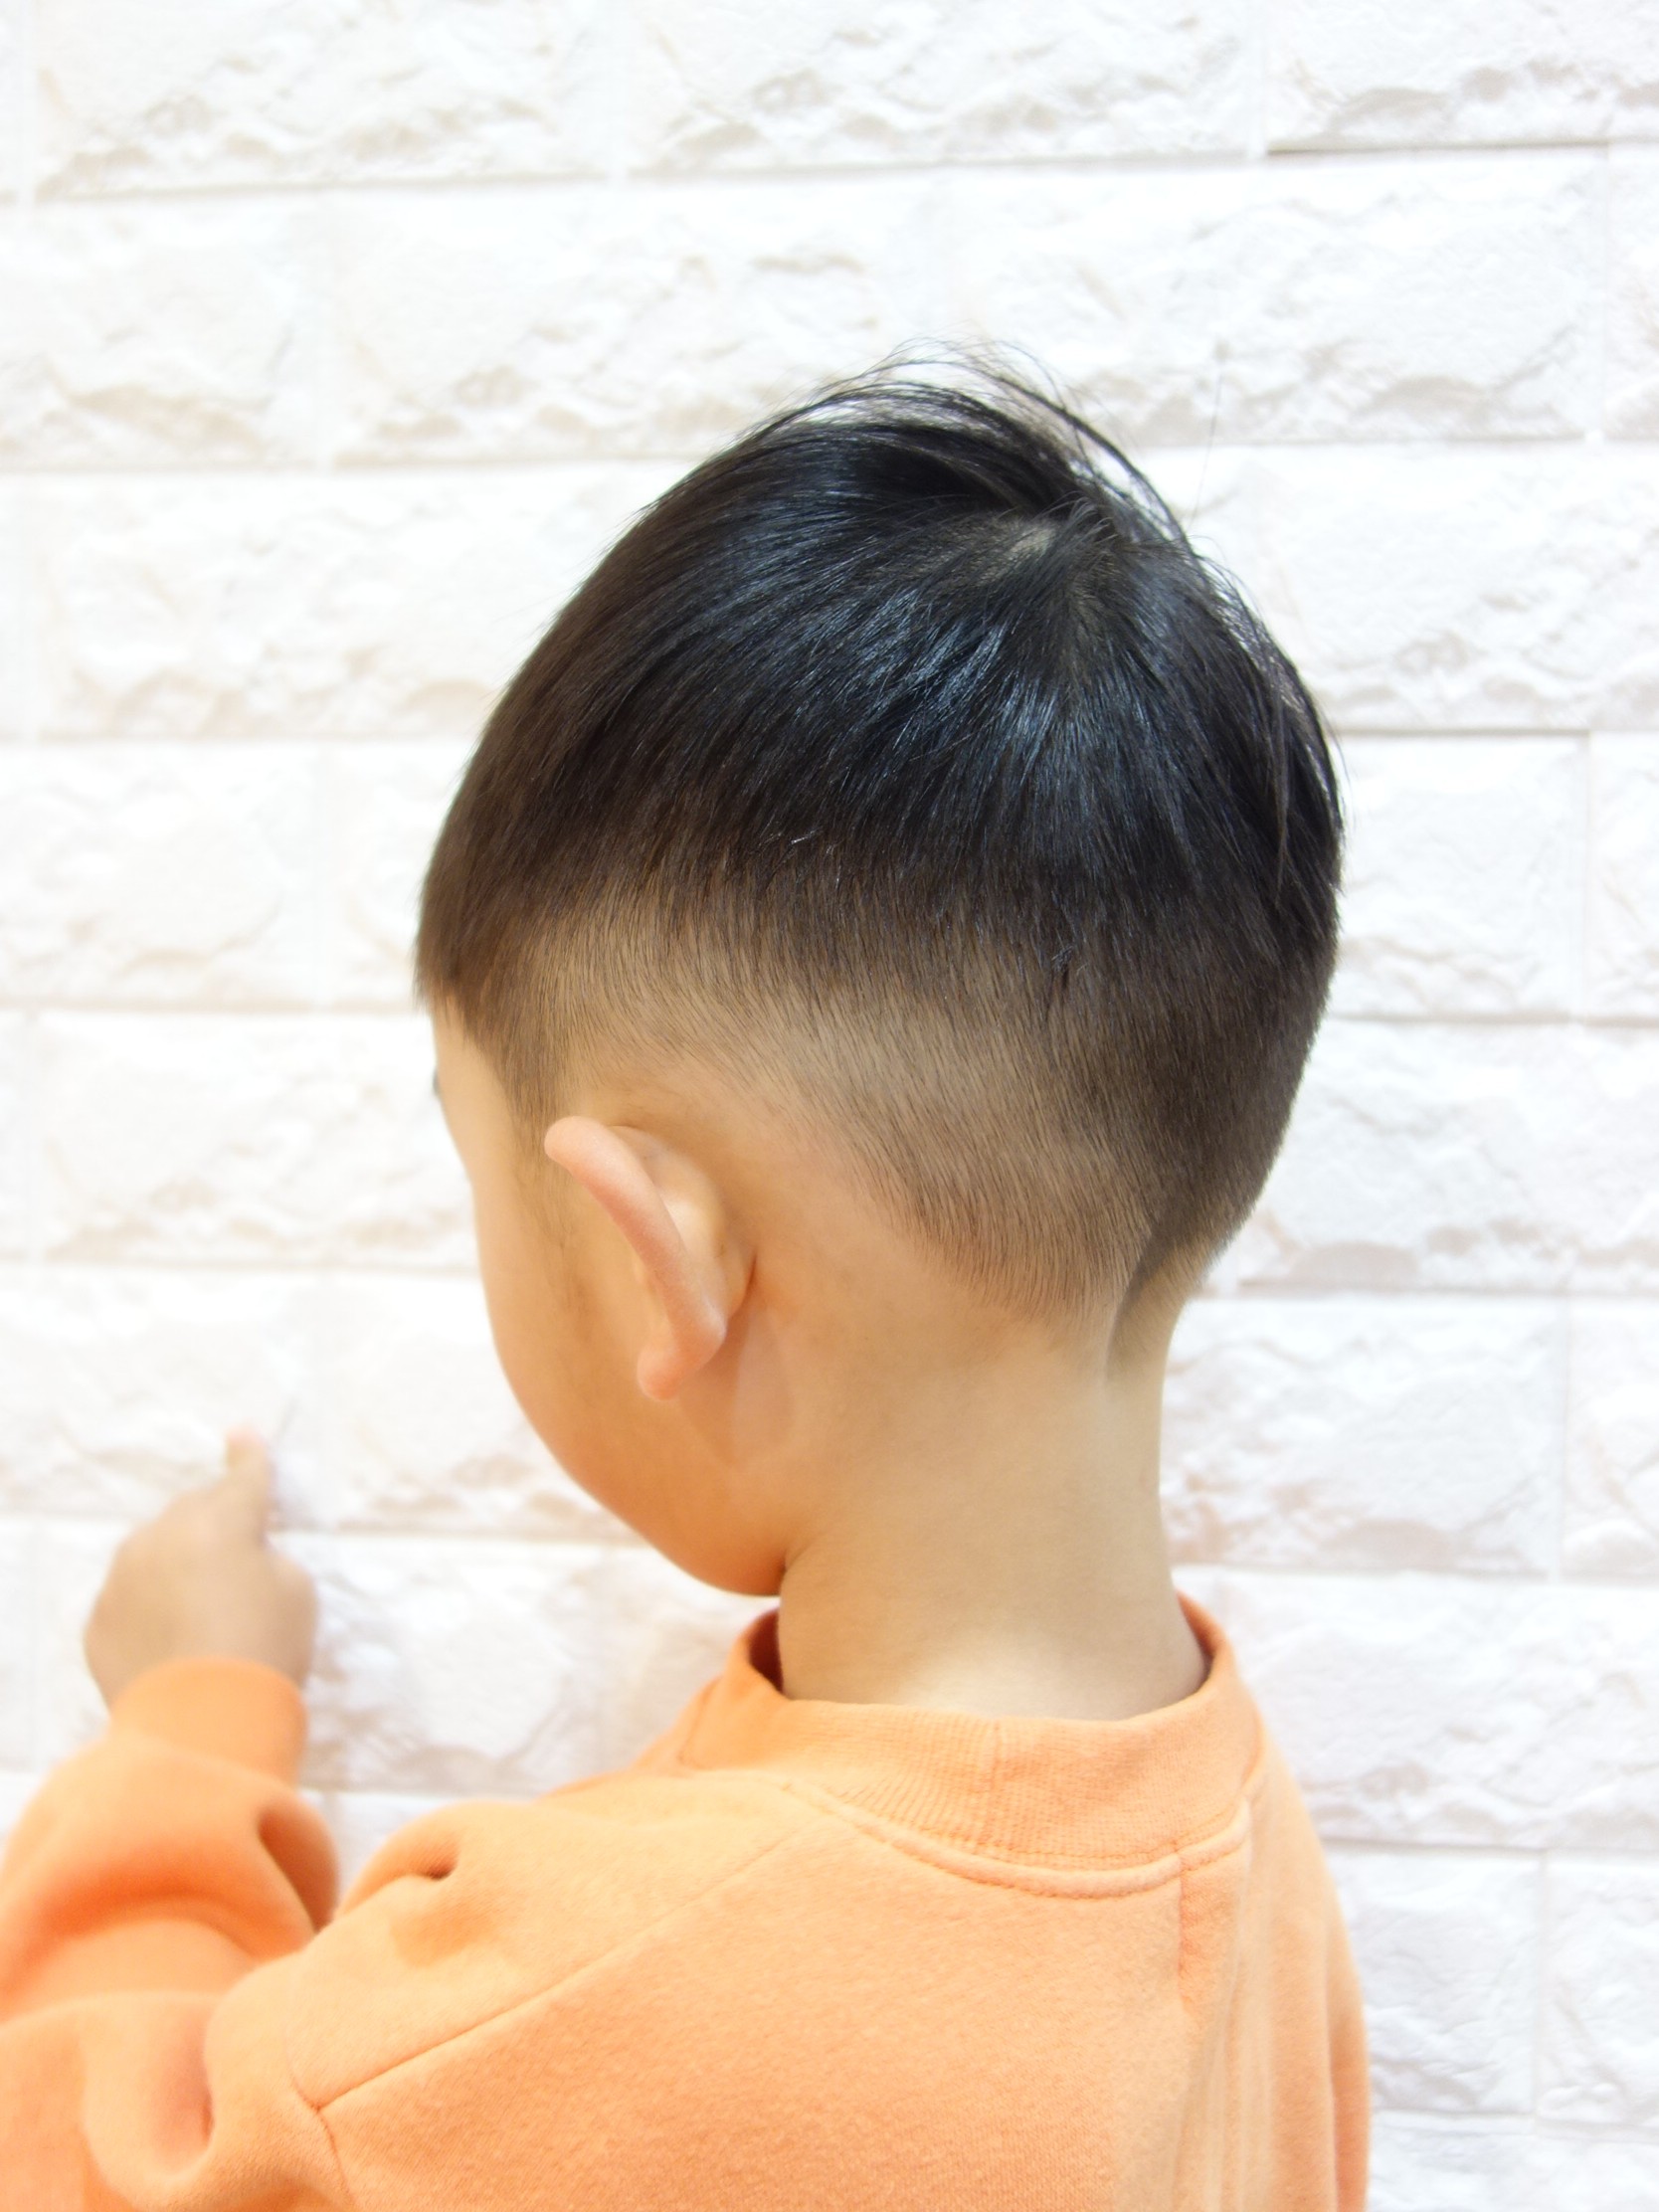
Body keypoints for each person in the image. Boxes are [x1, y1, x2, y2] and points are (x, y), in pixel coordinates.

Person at [0, 356, 1369, 2208]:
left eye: (475, 1161)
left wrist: (183, 1726)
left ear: (658, 1258)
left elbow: (76, 2162)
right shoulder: (1231, 1843)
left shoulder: (592, 1992)